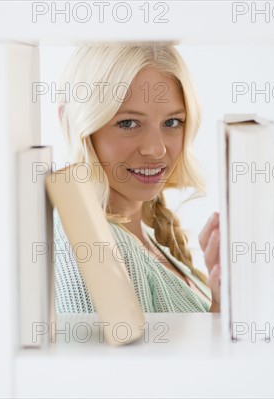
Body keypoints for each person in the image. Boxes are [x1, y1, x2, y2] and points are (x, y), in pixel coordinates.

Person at [54, 44, 220, 313]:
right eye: (128, 123)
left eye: (172, 122)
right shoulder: (92, 246)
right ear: (73, 123)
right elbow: (105, 357)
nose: (157, 149)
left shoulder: (143, 241)